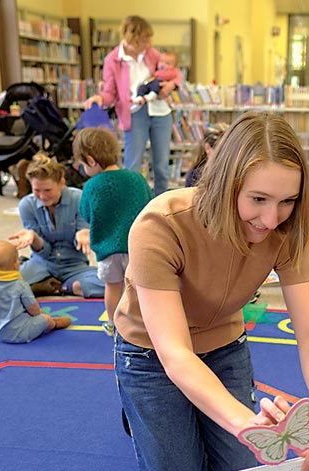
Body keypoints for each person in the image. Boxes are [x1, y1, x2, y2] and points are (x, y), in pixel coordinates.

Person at [114, 111, 309, 471]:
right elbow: (174, 354)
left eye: (287, 201)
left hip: (223, 344)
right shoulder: (160, 225)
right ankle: (139, 414)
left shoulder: (286, 229)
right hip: (150, 355)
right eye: (258, 199)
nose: (270, 219)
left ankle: (176, 419)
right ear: (227, 183)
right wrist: (247, 424)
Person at [83, 15, 181, 196]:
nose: (148, 44)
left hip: (160, 111)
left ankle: (160, 204)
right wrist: (99, 98)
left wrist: (171, 85)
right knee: (133, 163)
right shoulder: (112, 60)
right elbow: (110, 92)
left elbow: (173, 73)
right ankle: (131, 202)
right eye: (143, 40)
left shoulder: (152, 54)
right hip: (134, 113)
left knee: (161, 165)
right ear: (131, 37)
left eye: (148, 39)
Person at [73, 127, 154, 336]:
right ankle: (142, 323)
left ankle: (112, 324)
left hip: (107, 249)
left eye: (82, 164)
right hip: (136, 247)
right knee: (138, 288)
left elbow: (86, 213)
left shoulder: (91, 186)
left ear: (91, 160)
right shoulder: (137, 178)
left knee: (113, 287)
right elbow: (149, 206)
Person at [9, 153, 104, 300]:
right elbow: (44, 251)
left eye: (47, 190)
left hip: (74, 265)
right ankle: (61, 285)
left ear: (61, 182)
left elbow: (81, 238)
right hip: (42, 263)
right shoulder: (27, 205)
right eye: (36, 191)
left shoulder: (79, 198)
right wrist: (34, 238)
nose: (42, 196)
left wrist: (84, 233)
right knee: (4, 287)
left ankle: (62, 287)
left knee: (114, 284)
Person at [0, 241, 72, 344]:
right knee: (45, 319)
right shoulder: (20, 285)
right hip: (19, 333)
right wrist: (41, 316)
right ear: (16, 264)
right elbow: (33, 309)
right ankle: (54, 324)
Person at [184, 123, 228, 188]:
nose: (227, 155)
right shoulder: (194, 176)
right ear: (207, 148)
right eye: (221, 150)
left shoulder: (233, 174)